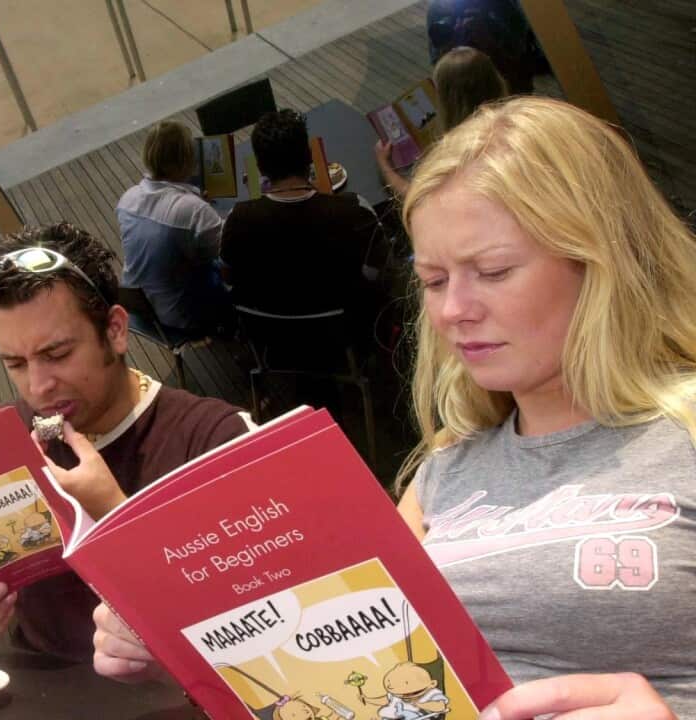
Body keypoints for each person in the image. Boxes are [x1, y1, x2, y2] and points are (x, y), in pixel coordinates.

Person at [94, 97, 694, 717]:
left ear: (599, 261)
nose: (453, 310)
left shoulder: (682, 436)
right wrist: (181, 645)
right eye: (434, 281)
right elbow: (337, 663)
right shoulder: (447, 464)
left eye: (491, 270)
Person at [0, 221, 252, 662]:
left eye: (56, 355)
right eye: (15, 363)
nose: (37, 387)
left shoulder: (214, 439)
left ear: (115, 330)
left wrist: (111, 514)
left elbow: (259, 611)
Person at [220, 109, 386, 345]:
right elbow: (375, 271)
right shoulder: (355, 210)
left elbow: (228, 278)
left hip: (271, 335)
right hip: (342, 332)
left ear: (259, 167)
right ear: (309, 156)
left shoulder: (236, 219)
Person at [116, 121, 230, 335]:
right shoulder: (193, 211)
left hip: (143, 306)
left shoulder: (127, 200)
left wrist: (193, 200)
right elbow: (230, 250)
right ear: (182, 162)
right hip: (181, 316)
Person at [376, 46, 508, 198]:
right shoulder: (518, 119)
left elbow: (418, 198)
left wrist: (385, 165)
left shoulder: (459, 157)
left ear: (448, 101)